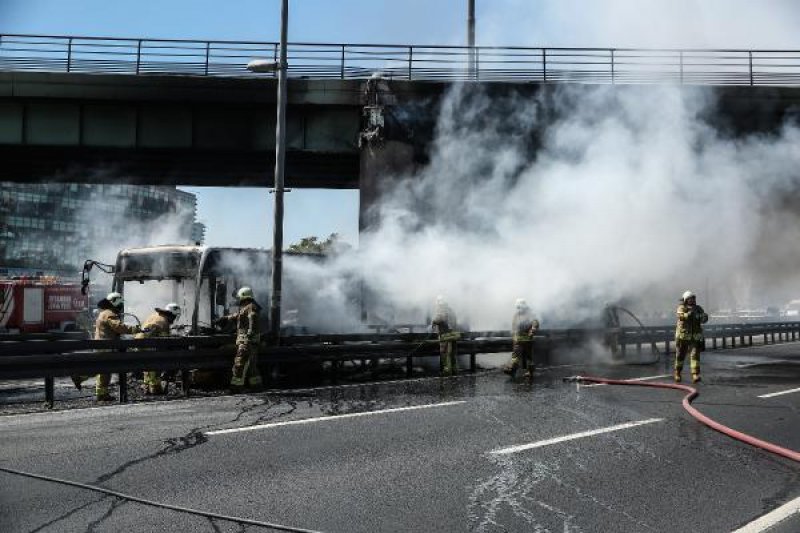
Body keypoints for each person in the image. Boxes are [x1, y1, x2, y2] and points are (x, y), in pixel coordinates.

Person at [73, 292, 139, 401]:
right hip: (106, 346)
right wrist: (133, 329)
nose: (121, 306)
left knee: (103, 370)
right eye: (120, 303)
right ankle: (82, 378)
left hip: (102, 345)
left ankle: (99, 391)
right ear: (114, 302)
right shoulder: (109, 313)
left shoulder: (104, 312)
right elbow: (118, 327)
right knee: (105, 369)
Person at [216, 287, 263, 391]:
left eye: (239, 298)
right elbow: (237, 316)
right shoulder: (248, 307)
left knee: (239, 364)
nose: (238, 301)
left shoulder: (250, 307)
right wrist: (225, 318)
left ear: (243, 296)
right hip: (250, 343)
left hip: (246, 342)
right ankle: (256, 386)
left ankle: (236, 387)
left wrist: (250, 332)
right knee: (251, 367)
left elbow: (252, 318)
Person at [135, 303, 181, 395]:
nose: (174, 319)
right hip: (147, 344)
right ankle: (154, 387)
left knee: (148, 364)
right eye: (174, 317)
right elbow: (164, 341)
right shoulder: (164, 322)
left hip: (139, 342)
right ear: (171, 314)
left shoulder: (155, 316)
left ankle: (146, 386)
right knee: (155, 363)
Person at [674, 290, 708, 383]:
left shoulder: (698, 308)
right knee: (680, 355)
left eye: (693, 298)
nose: (692, 300)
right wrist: (687, 314)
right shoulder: (682, 308)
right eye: (689, 299)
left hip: (694, 337)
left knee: (695, 356)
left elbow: (703, 318)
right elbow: (680, 315)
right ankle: (677, 373)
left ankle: (695, 375)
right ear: (685, 300)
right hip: (683, 337)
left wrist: (704, 317)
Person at [504, 298, 540, 379]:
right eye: (518, 307)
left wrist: (533, 330)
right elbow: (514, 327)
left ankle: (529, 372)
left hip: (526, 340)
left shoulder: (529, 314)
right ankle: (512, 370)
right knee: (517, 356)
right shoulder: (517, 315)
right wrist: (514, 336)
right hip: (519, 340)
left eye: (520, 307)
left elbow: (535, 323)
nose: (519, 309)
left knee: (527, 357)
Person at [431, 296, 460, 376]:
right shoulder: (451, 309)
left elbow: (440, 318)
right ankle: (455, 370)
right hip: (453, 335)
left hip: (445, 335)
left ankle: (447, 370)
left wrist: (434, 321)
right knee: (453, 353)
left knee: (445, 353)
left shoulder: (441, 309)